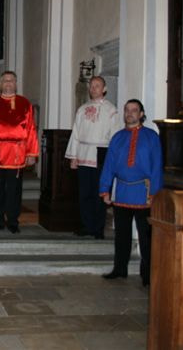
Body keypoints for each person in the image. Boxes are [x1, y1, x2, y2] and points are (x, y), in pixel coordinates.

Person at [99, 99, 163, 287]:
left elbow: (157, 166)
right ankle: (119, 269)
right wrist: (105, 188)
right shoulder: (117, 138)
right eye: (127, 110)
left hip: (144, 193)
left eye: (134, 110)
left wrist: (154, 193)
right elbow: (109, 165)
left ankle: (147, 274)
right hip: (122, 192)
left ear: (141, 114)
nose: (129, 113)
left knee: (146, 237)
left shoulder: (151, 137)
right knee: (121, 235)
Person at [0, 71, 39, 234]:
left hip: (17, 153)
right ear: (1, 84)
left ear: (16, 84)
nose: (8, 83)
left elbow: (31, 129)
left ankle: (13, 221)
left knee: (14, 190)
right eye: (5, 81)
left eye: (11, 80)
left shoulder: (24, 103)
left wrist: (32, 153)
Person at [65, 76, 119, 239]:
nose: (93, 88)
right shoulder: (82, 109)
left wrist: (112, 159)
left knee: (99, 193)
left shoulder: (111, 110)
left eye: (97, 86)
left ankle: (98, 228)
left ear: (104, 89)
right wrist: (73, 156)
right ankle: (86, 226)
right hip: (83, 154)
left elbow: (115, 135)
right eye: (92, 85)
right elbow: (76, 133)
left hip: (101, 154)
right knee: (84, 193)